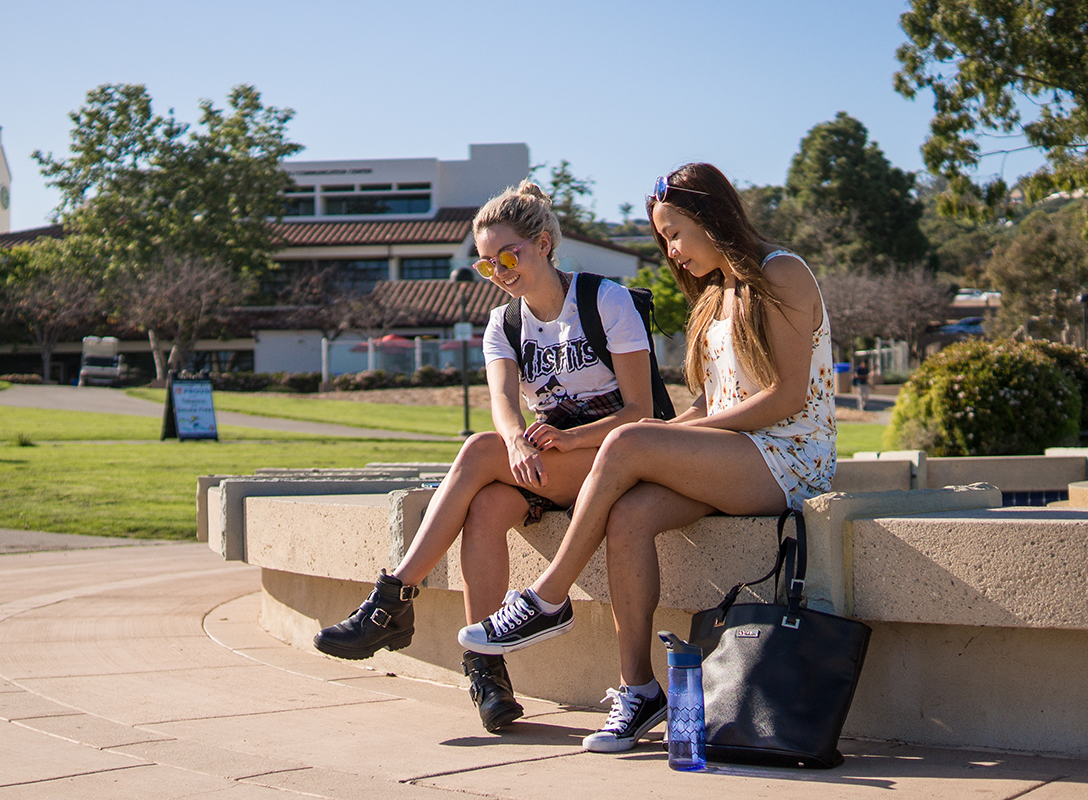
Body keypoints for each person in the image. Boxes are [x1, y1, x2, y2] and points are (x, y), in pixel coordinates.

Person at [456, 163, 837, 753]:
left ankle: (548, 597)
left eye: (676, 233)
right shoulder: (715, 296)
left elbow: (786, 397)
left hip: (791, 457)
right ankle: (639, 691)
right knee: (630, 514)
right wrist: (675, 433)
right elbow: (713, 402)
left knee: (630, 439)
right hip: (735, 453)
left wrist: (669, 437)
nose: (672, 251)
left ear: (713, 218)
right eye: (664, 239)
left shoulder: (779, 272)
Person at [313, 181, 655, 733]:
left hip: (613, 461)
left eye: (508, 255)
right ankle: (488, 676)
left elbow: (640, 413)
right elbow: (501, 403)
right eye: (486, 264)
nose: (499, 270)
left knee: (476, 452)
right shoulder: (506, 324)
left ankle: (392, 601)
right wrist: (518, 440)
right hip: (549, 464)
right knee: (489, 505)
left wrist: (567, 438)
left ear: (543, 243)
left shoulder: (604, 301)